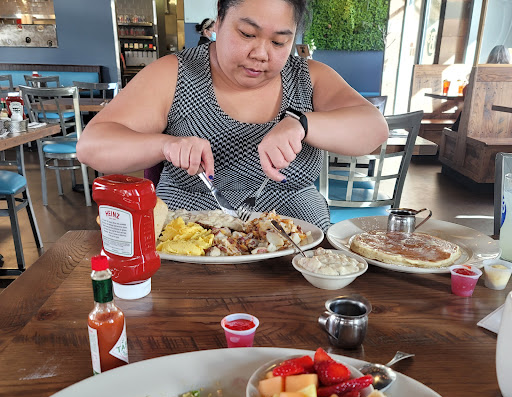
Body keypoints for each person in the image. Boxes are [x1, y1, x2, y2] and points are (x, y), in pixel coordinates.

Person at [76, 0, 388, 232]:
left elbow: (374, 129)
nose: (261, 54)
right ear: (220, 18)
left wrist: (302, 123)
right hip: (188, 246)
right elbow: (91, 147)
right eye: (247, 34)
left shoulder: (309, 78)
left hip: (298, 246)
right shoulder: (175, 73)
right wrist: (166, 145)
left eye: (279, 41)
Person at [452, 45, 511, 131]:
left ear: (490, 57)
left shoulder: (481, 73)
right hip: (503, 126)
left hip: (475, 123)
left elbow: (466, 94)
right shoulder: (509, 77)